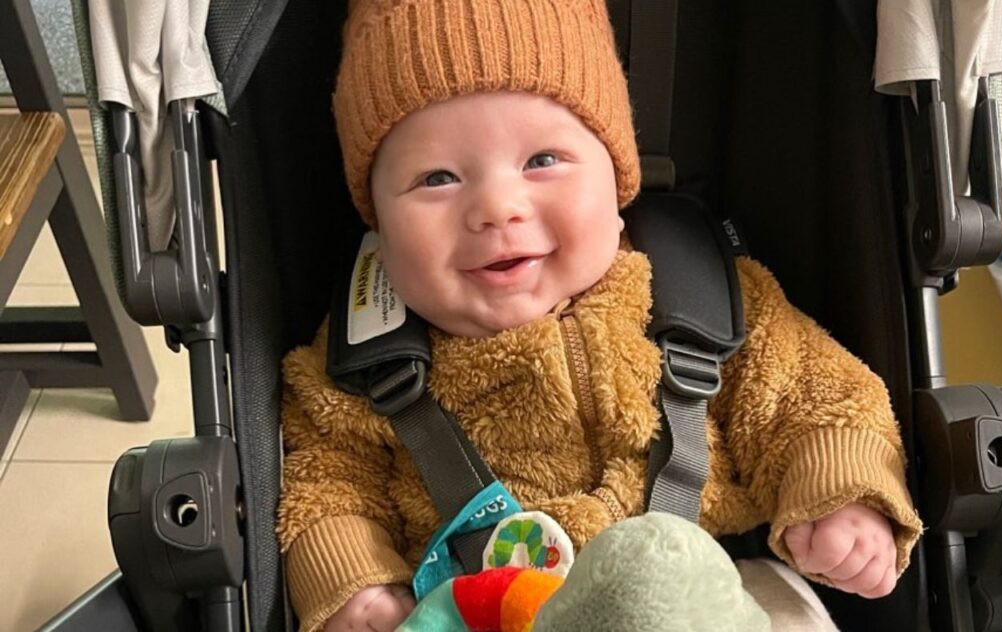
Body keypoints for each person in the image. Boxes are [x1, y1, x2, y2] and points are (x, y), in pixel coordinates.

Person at [276, 1, 924, 630]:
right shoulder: (365, 361)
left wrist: (840, 494)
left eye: (542, 161)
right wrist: (353, 579)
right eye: (437, 179)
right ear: (379, 228)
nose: (497, 207)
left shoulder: (696, 297)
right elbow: (325, 484)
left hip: (703, 591)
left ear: (617, 180)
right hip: (481, 607)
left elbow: (814, 396)